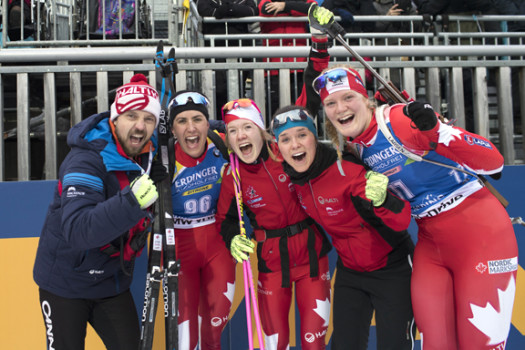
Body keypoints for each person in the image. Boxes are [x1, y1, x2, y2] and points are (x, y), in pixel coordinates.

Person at [315, 66, 519, 349]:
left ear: (367, 99)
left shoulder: (397, 119)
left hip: (479, 232)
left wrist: (439, 130)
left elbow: (494, 162)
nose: (340, 108)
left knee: (479, 342)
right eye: (330, 103)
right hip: (430, 242)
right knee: (436, 343)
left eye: (348, 97)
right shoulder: (353, 148)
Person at [33, 74, 164, 350]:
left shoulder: (146, 153)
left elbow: (189, 128)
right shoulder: (87, 160)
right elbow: (78, 230)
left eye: (148, 119)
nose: (140, 126)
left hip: (110, 283)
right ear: (115, 118)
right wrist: (131, 202)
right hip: (65, 283)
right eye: (131, 116)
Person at [272, 105, 416, 350]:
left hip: (392, 267)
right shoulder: (293, 178)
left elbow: (402, 218)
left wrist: (382, 200)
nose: (294, 144)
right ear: (278, 147)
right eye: (285, 139)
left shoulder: (346, 170)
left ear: (314, 139)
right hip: (350, 272)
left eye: (302, 135)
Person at [216, 98, 332, 350]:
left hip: (312, 258)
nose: (240, 135)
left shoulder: (286, 152)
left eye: (247, 127)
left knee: (314, 343)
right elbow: (226, 221)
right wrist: (233, 238)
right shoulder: (232, 176)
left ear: (260, 130)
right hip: (272, 264)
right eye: (233, 131)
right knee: (274, 343)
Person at [167, 90, 236, 349]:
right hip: (179, 246)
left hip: (218, 242)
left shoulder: (221, 144)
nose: (191, 128)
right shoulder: (163, 158)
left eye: (197, 119)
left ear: (208, 124)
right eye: (182, 121)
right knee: (185, 335)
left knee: (214, 327)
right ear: (172, 128)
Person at [197, 0, 259, 119]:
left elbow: (252, 12)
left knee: (239, 88)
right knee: (218, 90)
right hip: (215, 52)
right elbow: (204, 10)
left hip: (241, 51)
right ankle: (220, 122)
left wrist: (227, 9)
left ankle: (238, 121)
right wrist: (233, 10)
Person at [258, 0, 317, 115]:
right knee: (275, 108)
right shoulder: (265, 1)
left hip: (301, 65)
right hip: (274, 66)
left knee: (305, 108)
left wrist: (284, 6)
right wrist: (296, 9)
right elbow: (265, 9)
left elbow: (312, 9)